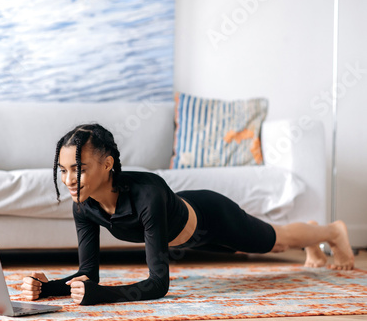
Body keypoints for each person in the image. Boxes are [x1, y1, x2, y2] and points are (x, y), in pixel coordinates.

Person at [21, 123, 355, 306]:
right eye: (63, 170)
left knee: (276, 242)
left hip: (212, 217)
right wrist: (48, 289)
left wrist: (102, 296)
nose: (68, 180)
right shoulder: (84, 206)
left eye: (78, 169)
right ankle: (314, 233)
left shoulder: (147, 193)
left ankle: (330, 232)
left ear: (107, 164)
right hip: (187, 233)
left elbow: (158, 284)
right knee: (276, 240)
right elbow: (88, 274)